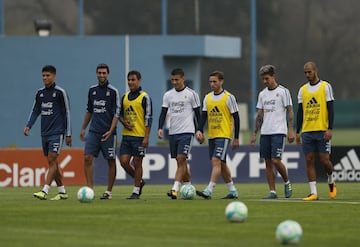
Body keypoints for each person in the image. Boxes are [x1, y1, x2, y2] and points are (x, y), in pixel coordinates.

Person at [24, 65, 72, 200]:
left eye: (48, 75)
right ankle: (62, 191)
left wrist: (68, 133)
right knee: (53, 163)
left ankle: (44, 190)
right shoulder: (40, 93)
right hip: (44, 132)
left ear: (54, 76)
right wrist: (29, 125)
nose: (45, 78)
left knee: (52, 159)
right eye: (43, 75)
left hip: (57, 132)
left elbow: (67, 113)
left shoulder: (60, 92)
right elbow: (35, 110)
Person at [250, 65, 294, 199]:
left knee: (276, 160)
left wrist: (291, 129)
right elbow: (259, 115)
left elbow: (290, 111)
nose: (265, 81)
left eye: (267, 78)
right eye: (263, 79)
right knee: (268, 162)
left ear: (273, 76)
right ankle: (272, 191)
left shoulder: (283, 92)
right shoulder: (262, 94)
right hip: (265, 132)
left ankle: (287, 182)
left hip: (279, 131)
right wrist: (254, 133)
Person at [195, 70, 240, 199]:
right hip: (212, 135)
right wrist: (199, 130)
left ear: (221, 81)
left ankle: (209, 190)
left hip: (224, 135)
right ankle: (233, 191)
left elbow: (236, 118)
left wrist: (236, 137)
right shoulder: (207, 97)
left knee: (216, 161)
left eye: (215, 81)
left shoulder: (228, 97)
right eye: (210, 82)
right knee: (222, 163)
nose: (212, 84)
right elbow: (203, 117)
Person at [158, 68, 201, 199]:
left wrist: (200, 130)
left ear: (183, 79)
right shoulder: (168, 95)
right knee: (180, 162)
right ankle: (188, 186)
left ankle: (174, 189)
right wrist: (160, 127)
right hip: (173, 132)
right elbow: (163, 113)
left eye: (177, 79)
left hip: (187, 132)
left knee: (181, 159)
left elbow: (199, 114)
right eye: (172, 80)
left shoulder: (192, 94)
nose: (174, 82)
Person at [296, 61, 336, 201]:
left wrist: (330, 128)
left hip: (322, 130)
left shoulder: (325, 87)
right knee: (309, 160)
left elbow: (330, 109)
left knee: (325, 161)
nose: (307, 75)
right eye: (305, 73)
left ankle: (331, 179)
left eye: (310, 72)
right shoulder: (302, 90)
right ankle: (314, 193)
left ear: (316, 70)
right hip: (307, 131)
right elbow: (300, 112)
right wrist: (297, 131)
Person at [80, 63, 120, 200]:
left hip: (108, 133)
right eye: (99, 73)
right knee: (87, 158)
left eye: (104, 73)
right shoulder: (92, 90)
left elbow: (117, 113)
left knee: (111, 161)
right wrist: (83, 128)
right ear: (96, 74)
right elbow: (89, 111)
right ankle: (90, 189)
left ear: (108, 74)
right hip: (93, 131)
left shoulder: (113, 91)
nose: (101, 75)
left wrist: (111, 130)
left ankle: (108, 191)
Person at [119, 70, 152, 199]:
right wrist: (123, 122)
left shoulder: (144, 97)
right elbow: (119, 114)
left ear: (139, 80)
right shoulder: (125, 97)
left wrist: (146, 137)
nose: (130, 82)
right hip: (127, 136)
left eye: (133, 80)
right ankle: (140, 181)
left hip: (139, 136)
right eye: (129, 80)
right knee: (123, 162)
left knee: (137, 162)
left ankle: (136, 191)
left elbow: (149, 118)